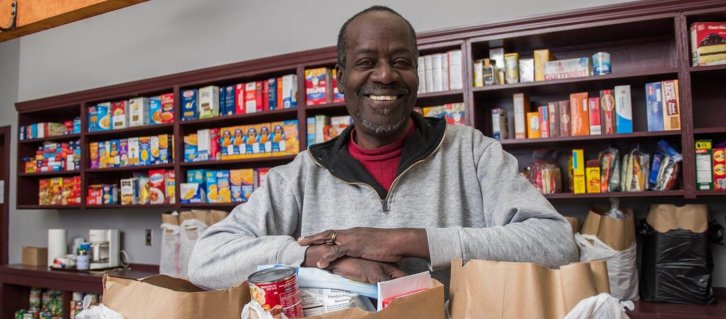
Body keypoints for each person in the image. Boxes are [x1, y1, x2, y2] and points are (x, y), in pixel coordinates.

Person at [188, 6, 577, 290]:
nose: (386, 75)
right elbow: (206, 260)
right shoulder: (303, 174)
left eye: (401, 61)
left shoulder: (472, 153)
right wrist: (315, 256)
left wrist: (411, 241)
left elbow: (556, 243)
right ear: (341, 78)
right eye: (366, 61)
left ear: (416, 75)